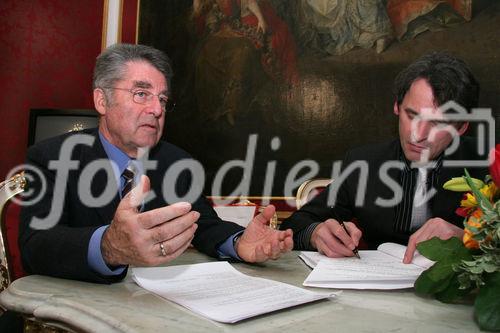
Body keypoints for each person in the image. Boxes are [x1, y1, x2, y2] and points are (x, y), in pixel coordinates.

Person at [19, 43, 293, 284]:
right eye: (141, 93)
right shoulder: (52, 157)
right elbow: (36, 246)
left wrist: (238, 242)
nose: (157, 109)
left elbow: (204, 224)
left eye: (162, 99)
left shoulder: (177, 162)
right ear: (102, 100)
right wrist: (108, 247)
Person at [280, 52, 489, 263]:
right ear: (397, 107)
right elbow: (296, 223)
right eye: (412, 115)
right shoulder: (364, 162)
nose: (418, 134)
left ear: (461, 127)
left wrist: (467, 238)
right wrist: (316, 233)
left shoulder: (490, 164)